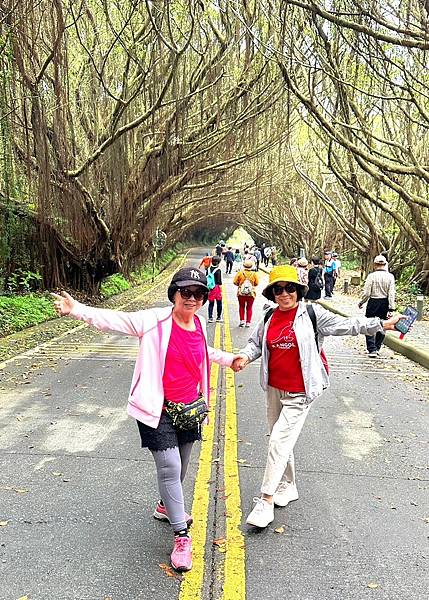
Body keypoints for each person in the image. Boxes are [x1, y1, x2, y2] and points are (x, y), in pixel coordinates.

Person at [51, 267, 243, 573]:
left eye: (198, 293)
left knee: (179, 466)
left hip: (189, 408)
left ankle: (166, 506)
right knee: (170, 468)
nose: (191, 299)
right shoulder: (154, 321)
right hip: (157, 409)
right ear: (174, 294)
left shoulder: (197, 325)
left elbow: (201, 351)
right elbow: (116, 320)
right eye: (185, 292)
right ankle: (182, 536)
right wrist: (77, 309)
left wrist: (228, 359)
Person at [234, 265, 404, 528]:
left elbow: (349, 325)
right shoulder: (268, 316)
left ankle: (266, 500)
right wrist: (245, 356)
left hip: (301, 391)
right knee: (279, 438)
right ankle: (288, 486)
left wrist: (380, 323)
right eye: (278, 289)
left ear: (298, 290)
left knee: (279, 440)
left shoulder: (312, 314)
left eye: (289, 288)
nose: (284, 294)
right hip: (274, 388)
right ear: (272, 293)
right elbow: (256, 343)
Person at [358, 255, 396, 357]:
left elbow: (367, 293)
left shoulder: (371, 276)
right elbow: (391, 294)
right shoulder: (390, 277)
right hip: (384, 303)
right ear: (385, 264)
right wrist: (391, 308)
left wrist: (362, 302)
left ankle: (371, 349)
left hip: (373, 302)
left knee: (369, 324)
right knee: (383, 325)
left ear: (375, 265)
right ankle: (377, 346)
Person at [233, 259, 259, 327]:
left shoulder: (240, 273)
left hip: (241, 293)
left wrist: (240, 284)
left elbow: (235, 282)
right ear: (251, 266)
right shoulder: (254, 274)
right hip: (251, 293)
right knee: (249, 307)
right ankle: (248, 322)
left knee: (241, 306)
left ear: (244, 265)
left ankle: (242, 321)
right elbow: (256, 283)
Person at [207, 255, 223, 323]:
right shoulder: (218, 270)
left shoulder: (208, 269)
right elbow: (219, 281)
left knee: (211, 303)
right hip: (216, 287)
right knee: (219, 303)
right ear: (218, 263)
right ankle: (218, 317)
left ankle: (210, 317)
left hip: (210, 288)